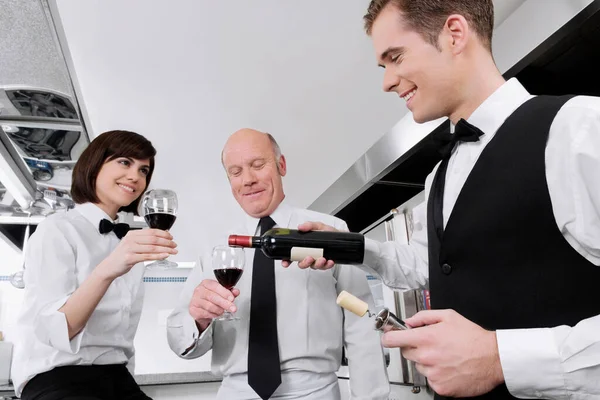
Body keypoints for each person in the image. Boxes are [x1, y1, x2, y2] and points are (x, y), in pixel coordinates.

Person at [288, 1, 600, 399]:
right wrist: (349, 246)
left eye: (395, 57)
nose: (387, 82)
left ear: (454, 33)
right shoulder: (439, 174)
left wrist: (499, 358)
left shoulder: (579, 130)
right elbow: (427, 263)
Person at [167, 128, 389, 400]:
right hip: (235, 392)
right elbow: (178, 337)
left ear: (281, 165)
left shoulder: (329, 230)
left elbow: (361, 321)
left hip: (313, 392)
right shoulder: (216, 246)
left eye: (257, 165)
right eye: (236, 172)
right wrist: (199, 320)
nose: (247, 180)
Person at [12, 130, 178, 400]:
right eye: (124, 162)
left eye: (143, 170)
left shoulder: (129, 241)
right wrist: (107, 269)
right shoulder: (57, 230)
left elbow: (122, 335)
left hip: (117, 377)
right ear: (94, 165)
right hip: (58, 378)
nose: (136, 176)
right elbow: (57, 331)